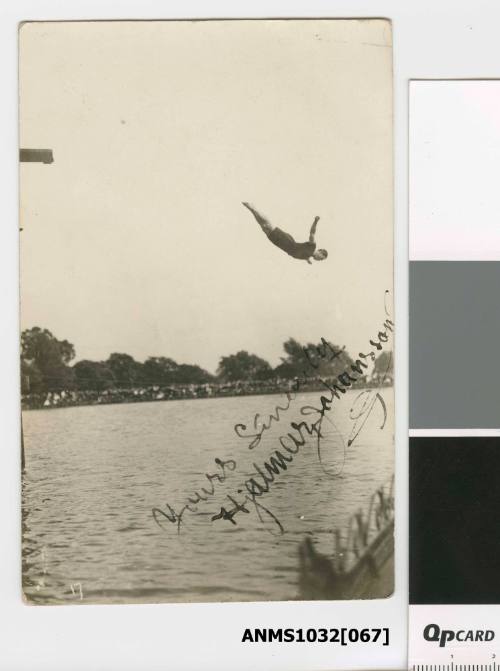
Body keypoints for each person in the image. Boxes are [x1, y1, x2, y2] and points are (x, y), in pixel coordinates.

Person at [242, 202, 328, 264]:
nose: (319, 260)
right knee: (267, 225)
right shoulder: (312, 246)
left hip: (282, 245)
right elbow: (312, 233)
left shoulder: (308, 256)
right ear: (320, 252)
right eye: (321, 258)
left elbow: (305, 255)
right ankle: (252, 207)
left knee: (264, 228)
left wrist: (307, 260)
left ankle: (252, 209)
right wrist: (316, 221)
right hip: (287, 241)